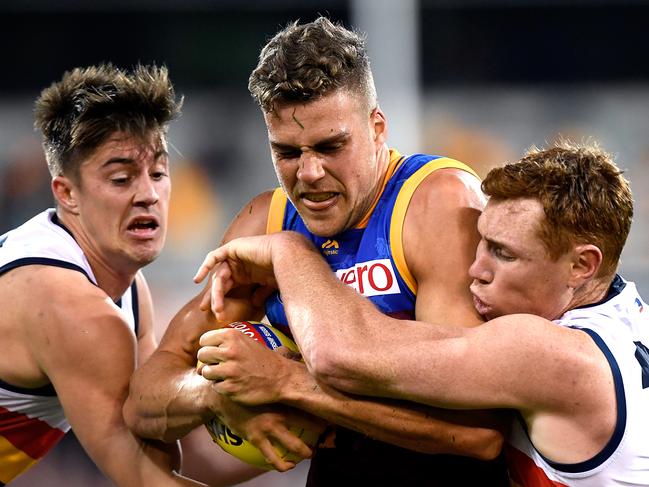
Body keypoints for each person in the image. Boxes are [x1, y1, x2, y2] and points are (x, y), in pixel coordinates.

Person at [125, 16, 509, 485]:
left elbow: (478, 435)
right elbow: (144, 401)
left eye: (331, 146)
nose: (308, 173)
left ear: (376, 128)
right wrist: (212, 395)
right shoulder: (265, 220)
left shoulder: (436, 206)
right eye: (287, 152)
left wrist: (292, 385)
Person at [197, 140, 649, 486]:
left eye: (502, 254)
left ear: (582, 265)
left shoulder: (555, 355)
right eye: (480, 244)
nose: (475, 269)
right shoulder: (629, 322)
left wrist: (288, 251)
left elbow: (344, 353)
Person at [0, 64, 208, 486]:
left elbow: (155, 427)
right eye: (121, 178)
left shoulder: (126, 286)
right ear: (67, 193)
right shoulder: (71, 306)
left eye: (158, 173)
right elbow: (142, 476)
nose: (148, 194)